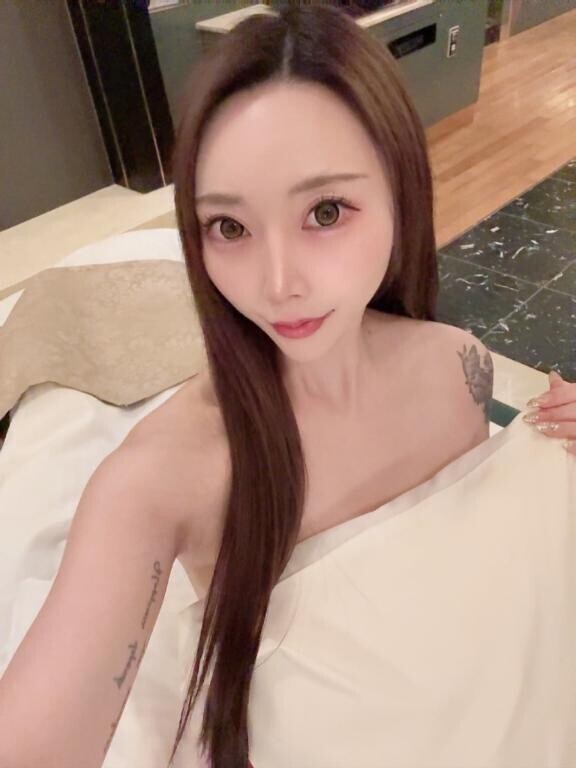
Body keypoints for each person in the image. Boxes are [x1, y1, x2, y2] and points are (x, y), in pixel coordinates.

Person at [0, 6, 574, 768]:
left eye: (324, 212)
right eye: (229, 227)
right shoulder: (157, 484)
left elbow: (464, 578)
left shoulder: (457, 369)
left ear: (402, 195)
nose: (277, 285)